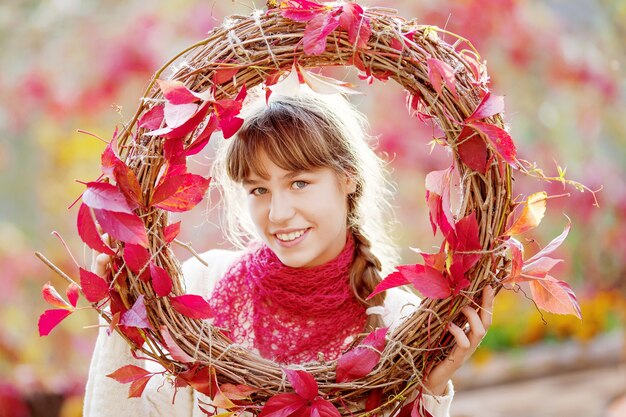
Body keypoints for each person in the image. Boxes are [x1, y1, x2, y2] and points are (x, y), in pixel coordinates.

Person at [83, 88, 494, 417]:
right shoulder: (198, 286)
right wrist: (123, 323)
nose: (278, 214)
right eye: (259, 190)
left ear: (347, 178)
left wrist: (430, 391)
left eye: (299, 183)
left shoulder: (399, 320)